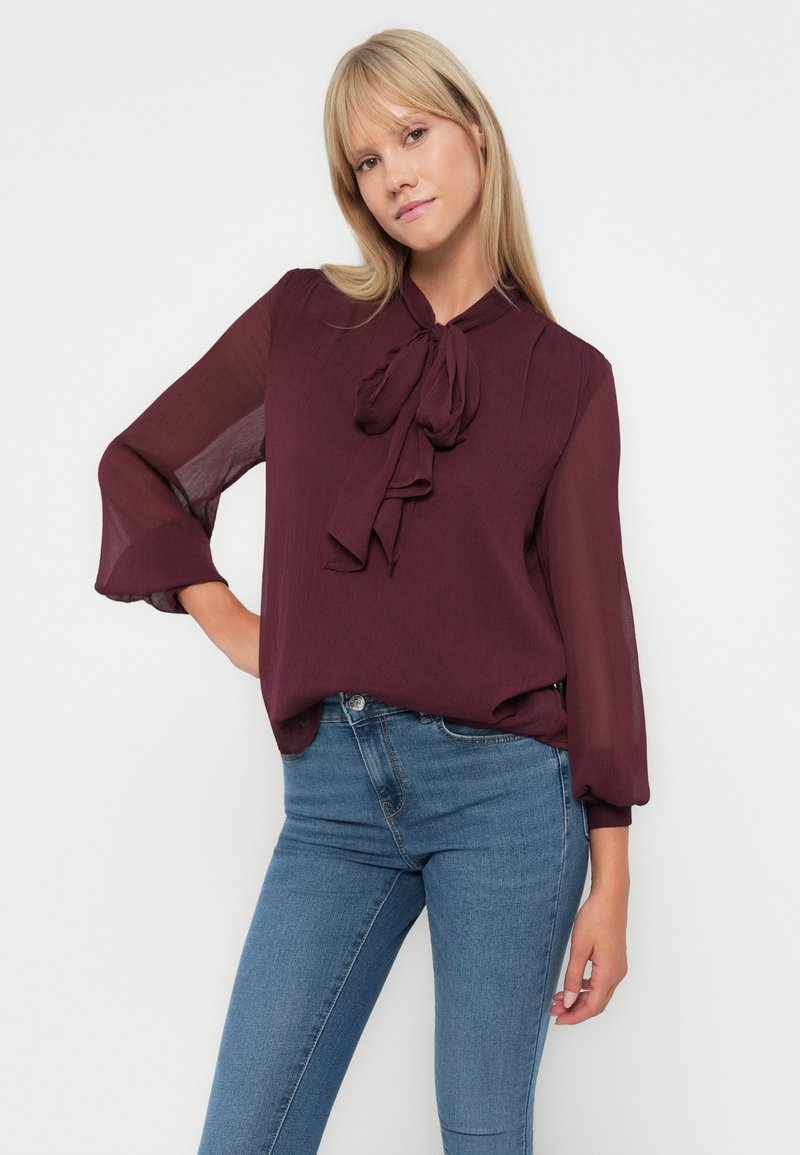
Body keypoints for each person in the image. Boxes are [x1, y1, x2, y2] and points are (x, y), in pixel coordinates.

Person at [94, 27, 650, 1155]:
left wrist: (611, 876)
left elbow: (596, 623)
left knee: (482, 1134)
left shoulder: (567, 379)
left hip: (507, 799)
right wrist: (228, 618)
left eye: (413, 133)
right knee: (245, 1136)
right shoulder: (305, 322)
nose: (395, 172)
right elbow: (142, 465)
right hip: (333, 797)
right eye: (365, 158)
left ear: (475, 133)